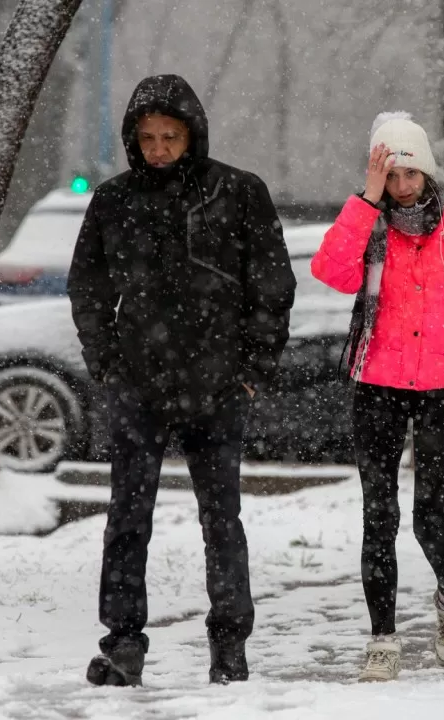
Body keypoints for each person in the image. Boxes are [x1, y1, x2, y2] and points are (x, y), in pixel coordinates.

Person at [68, 74, 296, 687]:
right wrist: (108, 366)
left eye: (171, 135)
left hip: (220, 385)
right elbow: (88, 287)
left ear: (192, 133)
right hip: (139, 385)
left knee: (221, 517)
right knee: (127, 516)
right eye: (147, 138)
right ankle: (121, 644)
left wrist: (253, 371)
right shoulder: (113, 201)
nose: (160, 148)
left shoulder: (238, 192)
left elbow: (271, 287)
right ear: (132, 140)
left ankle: (230, 645)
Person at [311, 111, 444, 682]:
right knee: (377, 518)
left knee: (431, 522)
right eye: (392, 174)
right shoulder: (370, 225)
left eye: (410, 173)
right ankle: (383, 639)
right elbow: (330, 271)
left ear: (427, 171)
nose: (402, 186)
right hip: (377, 386)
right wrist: (366, 198)